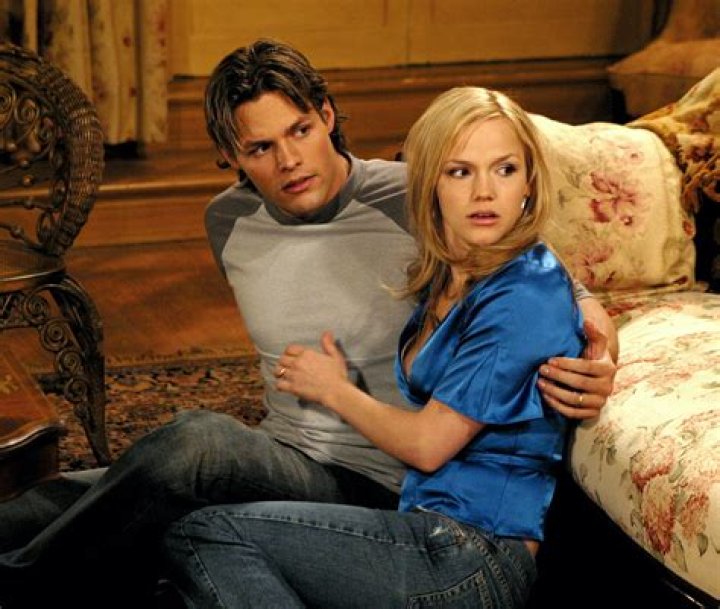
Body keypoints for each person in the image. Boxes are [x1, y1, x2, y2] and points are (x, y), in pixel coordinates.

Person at [0, 39, 616, 608]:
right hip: (278, 455)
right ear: (229, 156)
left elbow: (535, 270)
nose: (290, 160)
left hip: (381, 481)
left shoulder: (418, 195)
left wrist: (598, 340)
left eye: (299, 130)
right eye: (260, 148)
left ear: (326, 114)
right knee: (65, 497)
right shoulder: (227, 222)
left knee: (196, 445)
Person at [161, 84, 586, 609]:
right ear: (429, 185)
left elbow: (428, 445)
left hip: (474, 555)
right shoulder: (449, 273)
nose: (484, 192)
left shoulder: (526, 291)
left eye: (505, 169)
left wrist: (335, 391)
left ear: (529, 182)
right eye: (460, 172)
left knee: (204, 535)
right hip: (422, 530)